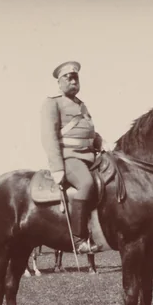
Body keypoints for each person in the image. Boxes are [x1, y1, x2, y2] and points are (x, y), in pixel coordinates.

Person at [40, 61, 104, 253]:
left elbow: (89, 132)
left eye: (75, 77)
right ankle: (78, 239)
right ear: (59, 83)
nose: (72, 80)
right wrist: (57, 168)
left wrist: (103, 143)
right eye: (68, 78)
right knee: (86, 184)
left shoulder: (81, 105)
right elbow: (48, 136)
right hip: (69, 159)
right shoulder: (53, 103)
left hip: (91, 157)